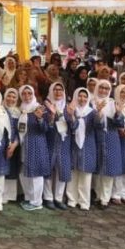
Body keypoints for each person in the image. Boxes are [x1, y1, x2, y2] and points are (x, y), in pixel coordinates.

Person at [42, 82, 75, 210]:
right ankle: (48, 198)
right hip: (50, 142)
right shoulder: (44, 106)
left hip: (64, 144)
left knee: (63, 171)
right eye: (55, 90)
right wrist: (50, 116)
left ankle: (58, 198)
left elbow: (74, 127)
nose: (58, 92)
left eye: (60, 90)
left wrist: (71, 116)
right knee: (48, 171)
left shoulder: (68, 107)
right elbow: (43, 126)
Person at [17, 85, 49, 211]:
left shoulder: (39, 108)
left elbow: (46, 129)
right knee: (25, 173)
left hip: (36, 144)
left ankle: (37, 202)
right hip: (25, 144)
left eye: (29, 93)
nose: (27, 96)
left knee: (36, 174)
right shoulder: (21, 109)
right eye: (24, 94)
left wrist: (40, 118)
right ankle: (29, 198)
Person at [93, 80, 123, 208]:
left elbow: (120, 124)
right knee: (97, 168)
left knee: (108, 170)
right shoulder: (91, 102)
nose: (104, 90)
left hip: (111, 139)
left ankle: (105, 199)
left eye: (106, 88)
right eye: (101, 88)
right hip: (95, 138)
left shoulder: (113, 103)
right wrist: (98, 112)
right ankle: (98, 195)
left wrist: (118, 113)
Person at [67, 88, 96, 211]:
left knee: (86, 175)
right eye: (80, 96)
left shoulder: (92, 112)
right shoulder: (69, 110)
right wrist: (72, 115)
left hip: (88, 146)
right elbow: (71, 127)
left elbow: (99, 125)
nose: (82, 99)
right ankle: (72, 199)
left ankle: (84, 202)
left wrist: (99, 113)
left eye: (85, 96)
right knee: (73, 173)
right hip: (73, 145)